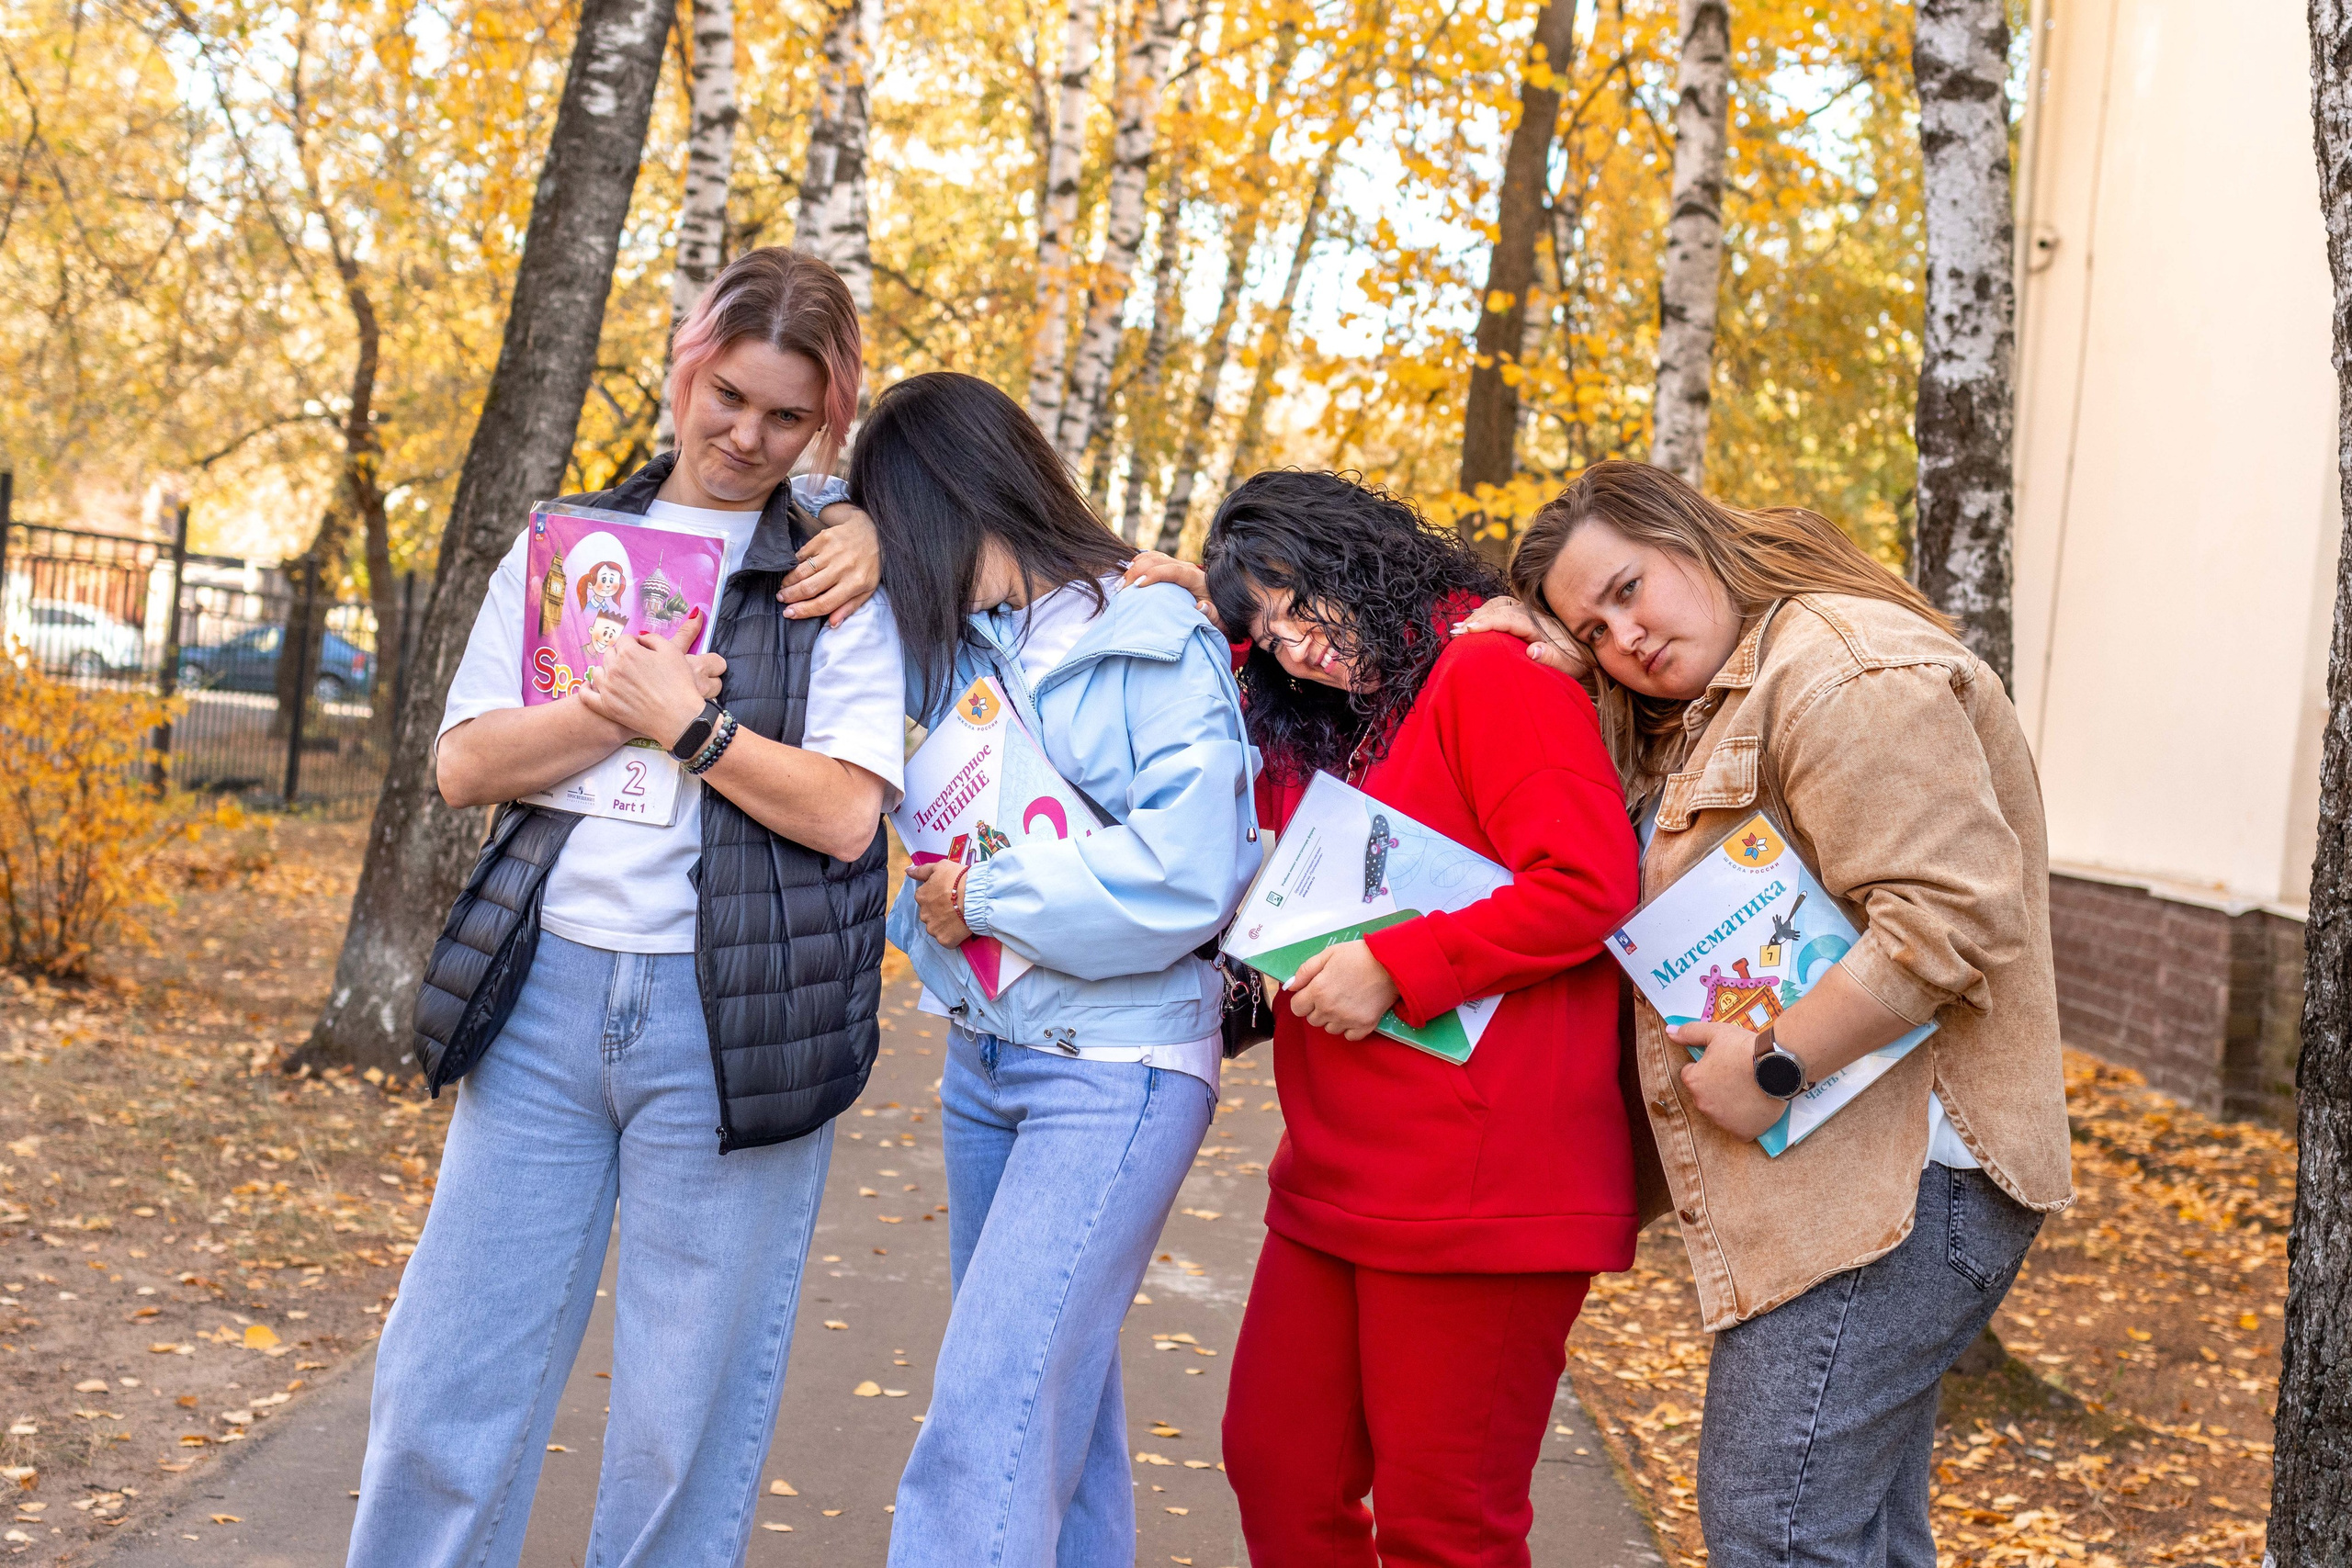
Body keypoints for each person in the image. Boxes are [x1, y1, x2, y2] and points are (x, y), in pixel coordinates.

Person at [346, 247, 904, 1568]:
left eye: (786, 415)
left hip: (736, 1029)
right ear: (683, 366)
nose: (747, 436)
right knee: (448, 1375)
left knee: (680, 1417)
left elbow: (842, 812)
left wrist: (695, 728)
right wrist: (611, 707)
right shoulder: (567, 545)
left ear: (825, 416)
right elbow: (465, 761)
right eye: (728, 395)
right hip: (542, 1001)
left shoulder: (835, 571)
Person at [1460, 458, 2075, 1566]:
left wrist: (1776, 1064)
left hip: (1903, 1183)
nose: (1623, 637)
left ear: (1688, 535)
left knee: (1775, 1530)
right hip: (1860, 1186)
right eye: (1593, 629)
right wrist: (1547, 654)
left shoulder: (1841, 670)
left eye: (1628, 588)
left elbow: (1952, 920)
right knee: (1861, 1538)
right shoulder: (1729, 695)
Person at [1140, 470, 1641, 1567]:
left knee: (1443, 1528)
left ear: (1354, 558)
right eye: (1265, 634)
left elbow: (1587, 882)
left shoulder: (1489, 675)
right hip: (1337, 1175)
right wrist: (1191, 591)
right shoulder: (1343, 719)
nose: (1294, 649)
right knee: (1280, 1470)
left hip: (1479, 1180)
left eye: (1297, 606)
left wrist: (1394, 965)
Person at [854, 372, 1258, 1568]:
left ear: (954, 501)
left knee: (988, 1410)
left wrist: (985, 893)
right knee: (1054, 1399)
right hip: (988, 1057)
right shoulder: (960, 645)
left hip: (1118, 1068)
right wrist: (842, 518)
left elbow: (1187, 877)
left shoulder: (1152, 630)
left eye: (896, 524)